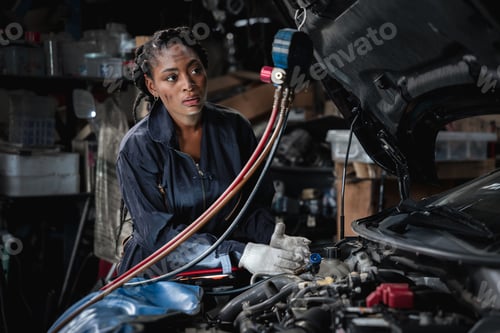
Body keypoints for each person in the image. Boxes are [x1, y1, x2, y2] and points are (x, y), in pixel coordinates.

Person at [115, 26, 311, 279]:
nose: (189, 84)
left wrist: (270, 237)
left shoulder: (235, 128)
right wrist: (242, 254)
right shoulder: (138, 148)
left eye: (195, 70)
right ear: (152, 86)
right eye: (172, 77)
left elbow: (252, 206)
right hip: (159, 279)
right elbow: (159, 237)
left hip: (225, 274)